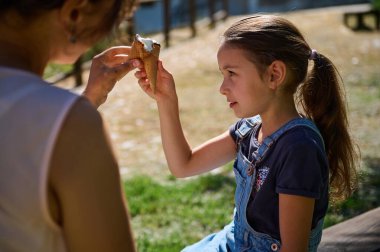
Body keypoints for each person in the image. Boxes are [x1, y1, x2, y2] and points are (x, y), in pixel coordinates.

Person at [135, 15, 359, 252]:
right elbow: (184, 165)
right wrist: (166, 100)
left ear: (274, 75)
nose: (222, 88)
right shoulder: (249, 130)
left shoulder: (298, 148)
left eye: (231, 73)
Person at [0, 1, 140, 251]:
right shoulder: (75, 127)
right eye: (112, 17)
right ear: (74, 13)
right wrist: (72, 116)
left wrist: (85, 100)